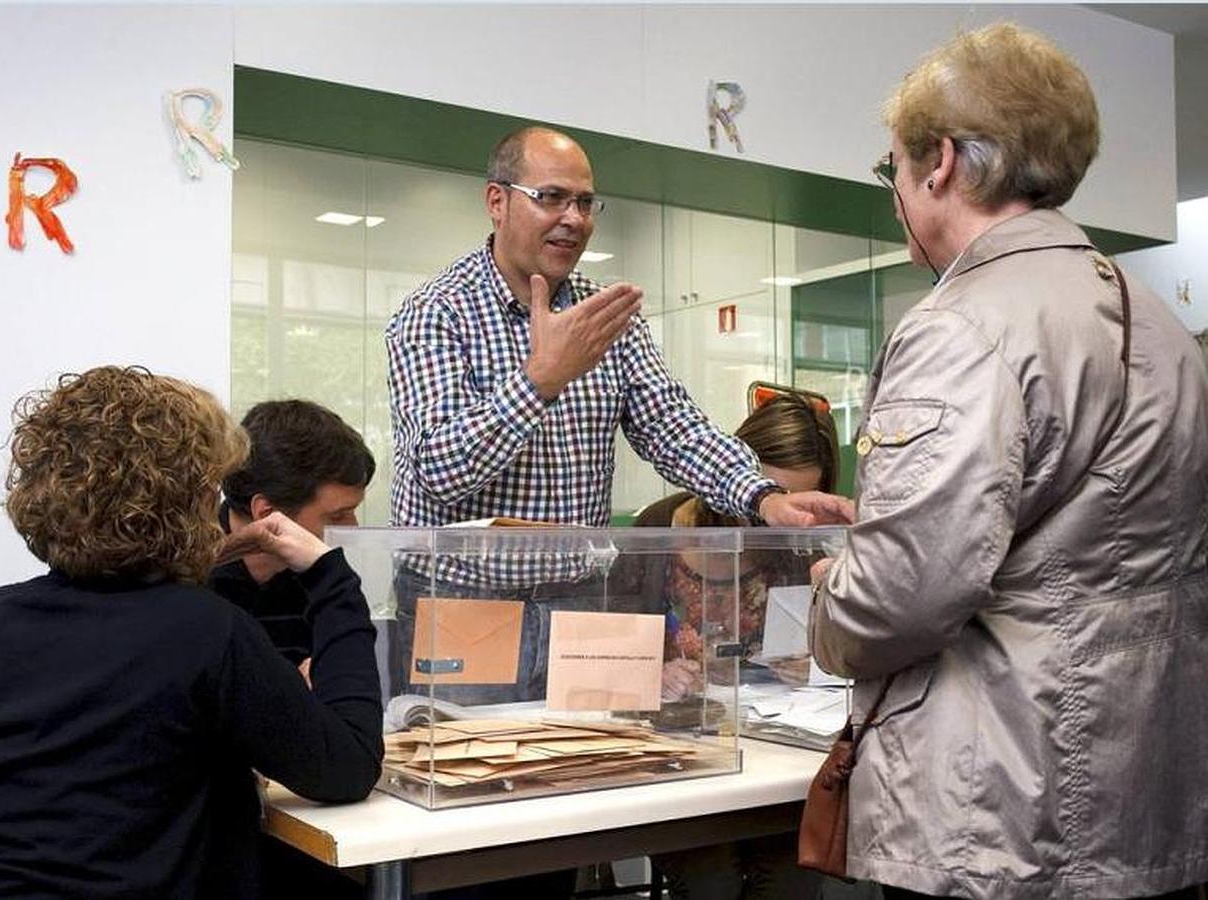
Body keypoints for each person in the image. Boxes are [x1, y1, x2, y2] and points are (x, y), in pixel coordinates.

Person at [804, 23, 1208, 900]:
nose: (899, 193)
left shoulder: (961, 325)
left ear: (939, 162)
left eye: (893, 172)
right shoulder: (1163, 327)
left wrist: (826, 597)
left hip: (996, 820)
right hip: (1145, 805)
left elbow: (902, 593)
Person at [0, 366, 382, 900]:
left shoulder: (4, 616)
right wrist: (330, 575)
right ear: (182, 502)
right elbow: (348, 768)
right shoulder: (203, 630)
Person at [384, 125, 848, 535]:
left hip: (575, 599)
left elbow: (672, 427)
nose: (573, 218)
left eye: (585, 202)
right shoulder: (436, 311)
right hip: (460, 601)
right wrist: (539, 381)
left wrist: (763, 497)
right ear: (497, 201)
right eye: (550, 197)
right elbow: (438, 471)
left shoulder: (605, 315)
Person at [641, 391, 840, 900]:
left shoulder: (801, 545)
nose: (778, 520)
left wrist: (816, 663)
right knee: (712, 883)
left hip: (773, 755)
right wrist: (652, 673)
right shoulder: (659, 529)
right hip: (678, 755)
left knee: (791, 880)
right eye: (775, 498)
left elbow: (844, 653)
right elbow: (605, 647)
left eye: (801, 504)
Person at [213, 398, 376, 670]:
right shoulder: (185, 579)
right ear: (267, 514)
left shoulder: (323, 576)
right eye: (337, 516)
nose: (352, 527)